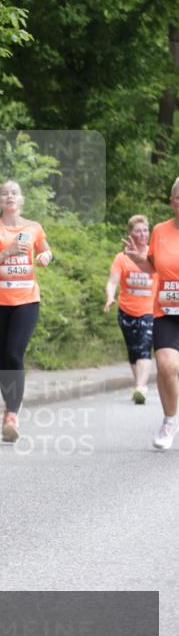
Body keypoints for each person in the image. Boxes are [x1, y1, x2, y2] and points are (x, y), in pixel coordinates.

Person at [0, 180, 52, 442]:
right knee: (2, 358)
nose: (10, 196)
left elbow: (46, 251)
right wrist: (7, 252)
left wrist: (45, 257)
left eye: (14, 193)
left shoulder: (34, 228)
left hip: (27, 301)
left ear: (22, 199)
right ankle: (10, 407)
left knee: (14, 354)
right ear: (0, 200)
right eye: (5, 193)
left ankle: (11, 414)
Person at [125, 177, 179, 450]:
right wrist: (138, 260)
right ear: (172, 202)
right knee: (167, 366)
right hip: (167, 311)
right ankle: (169, 421)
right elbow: (153, 267)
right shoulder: (159, 230)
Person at [105, 215, 155, 403]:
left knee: (145, 347)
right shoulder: (122, 257)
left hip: (150, 310)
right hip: (126, 311)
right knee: (133, 351)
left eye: (145, 230)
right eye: (138, 231)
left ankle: (141, 386)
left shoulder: (153, 255)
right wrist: (110, 297)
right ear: (130, 234)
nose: (142, 234)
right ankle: (139, 387)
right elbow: (112, 281)